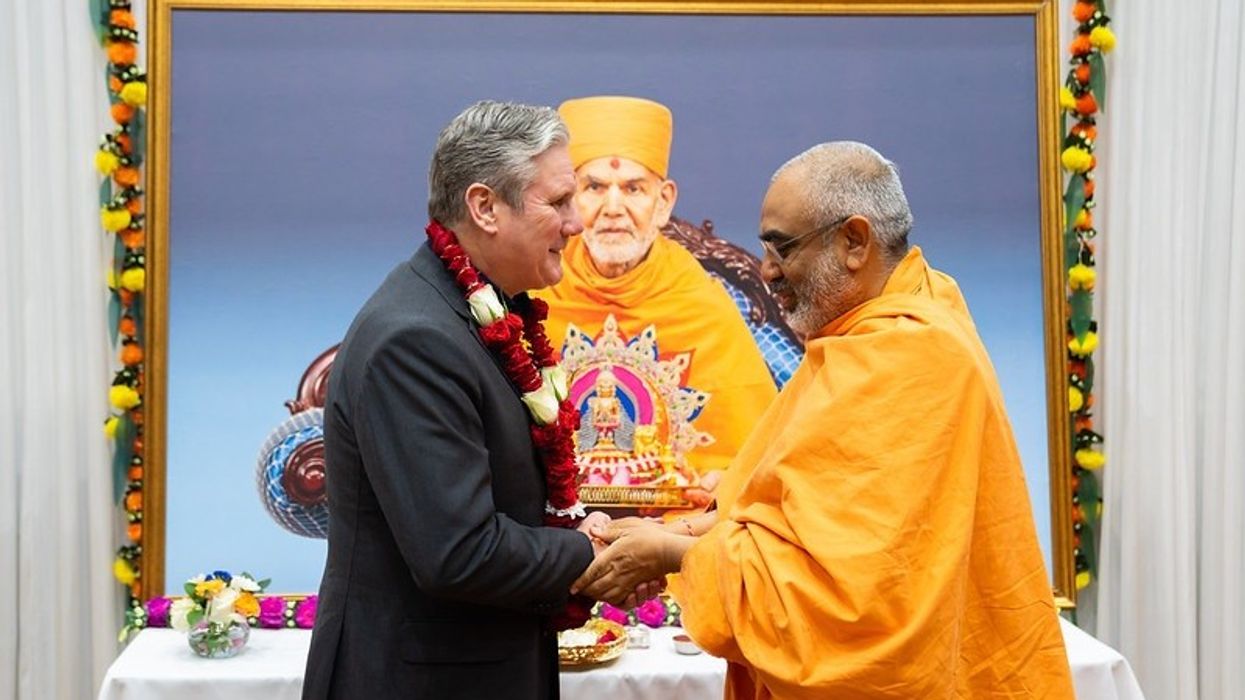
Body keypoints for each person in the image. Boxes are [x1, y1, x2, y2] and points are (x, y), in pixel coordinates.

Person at [575, 142, 1076, 698]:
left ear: (854, 241)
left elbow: (845, 597)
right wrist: (676, 531)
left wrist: (670, 552)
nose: (766, 271)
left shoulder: (906, 354)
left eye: (781, 248)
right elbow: (798, 515)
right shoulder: (879, 328)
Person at [303, 101, 612, 700]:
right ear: (485, 207)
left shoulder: (477, 310)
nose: (578, 223)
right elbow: (459, 552)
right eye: (559, 201)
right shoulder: (415, 339)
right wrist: (591, 552)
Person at [538, 96, 778, 502]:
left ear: (663, 201)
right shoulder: (535, 289)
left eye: (633, 188)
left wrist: (717, 486)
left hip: (672, 537)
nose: (613, 208)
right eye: (594, 187)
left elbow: (749, 457)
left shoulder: (701, 305)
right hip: (549, 536)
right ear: (567, 199)